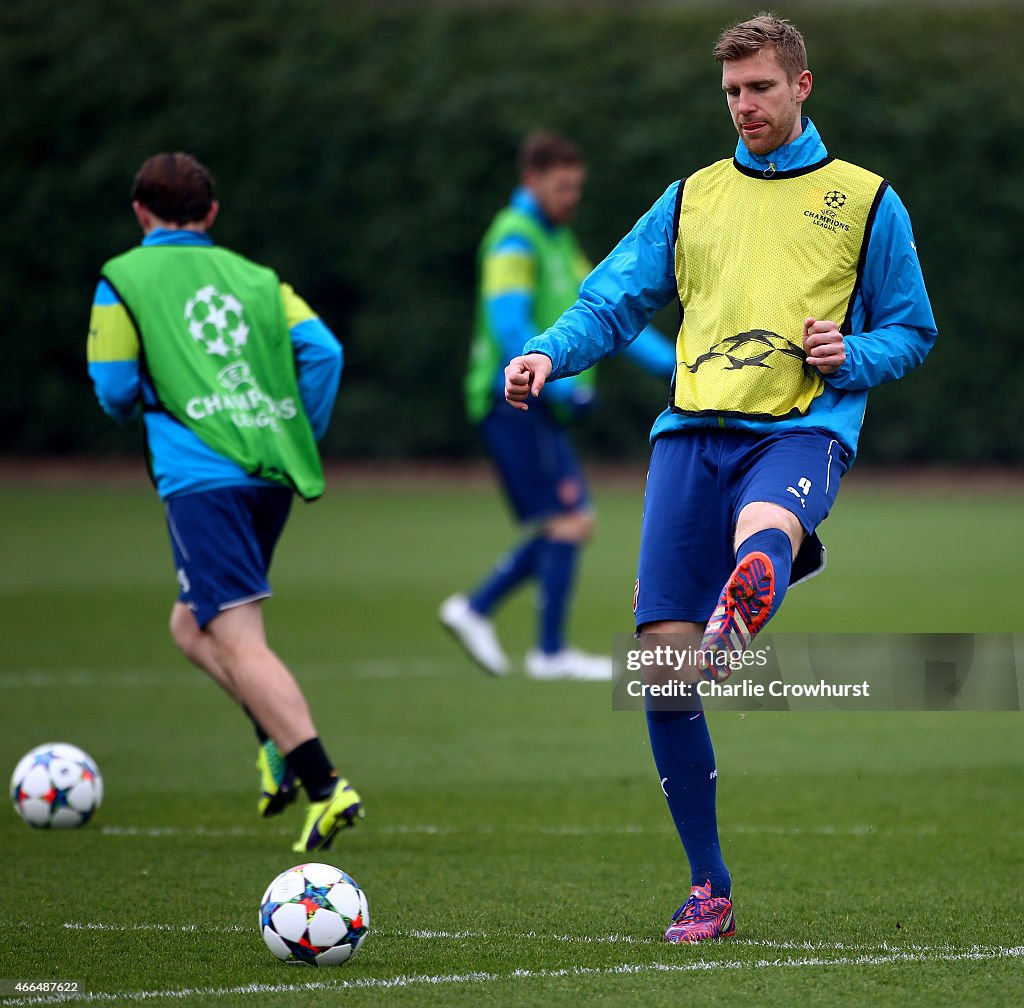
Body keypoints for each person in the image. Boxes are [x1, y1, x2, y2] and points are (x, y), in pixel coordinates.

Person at [505, 15, 936, 941]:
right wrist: (548, 352)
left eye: (762, 90)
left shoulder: (868, 201)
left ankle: (758, 582)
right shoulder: (691, 196)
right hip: (689, 437)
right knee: (665, 670)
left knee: (762, 532)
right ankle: (710, 885)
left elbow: (911, 329)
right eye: (734, 92)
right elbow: (613, 300)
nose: (745, 107)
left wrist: (851, 351)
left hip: (798, 427)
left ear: (802, 86)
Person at [87, 152, 363, 853]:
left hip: (201, 479)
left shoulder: (123, 278)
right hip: (268, 474)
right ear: (210, 215)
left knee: (239, 640)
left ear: (140, 213)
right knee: (191, 626)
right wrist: (298, 427)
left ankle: (325, 783)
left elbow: (116, 388)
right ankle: (275, 738)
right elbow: (323, 352)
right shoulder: (259, 279)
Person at [440, 131, 675, 681]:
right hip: (513, 399)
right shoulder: (514, 238)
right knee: (571, 519)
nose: (572, 197)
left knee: (571, 520)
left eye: (577, 188)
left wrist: (680, 366)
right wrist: (564, 386)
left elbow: (615, 318)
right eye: (562, 187)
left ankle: (498, 621)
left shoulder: (556, 239)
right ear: (532, 181)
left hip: (541, 401)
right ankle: (521, 636)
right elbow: (507, 326)